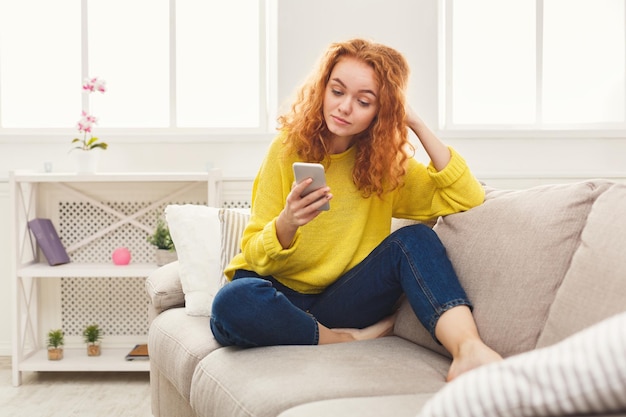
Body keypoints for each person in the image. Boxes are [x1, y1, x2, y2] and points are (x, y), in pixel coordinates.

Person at [210, 38, 502, 381]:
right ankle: (342, 340)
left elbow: (467, 196)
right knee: (233, 303)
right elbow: (254, 253)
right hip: (275, 292)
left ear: (381, 110)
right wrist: (287, 223)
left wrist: (417, 125)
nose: (345, 107)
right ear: (322, 90)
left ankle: (468, 349)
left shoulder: (387, 167)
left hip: (339, 300)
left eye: (364, 101)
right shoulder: (287, 150)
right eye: (337, 92)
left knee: (415, 240)